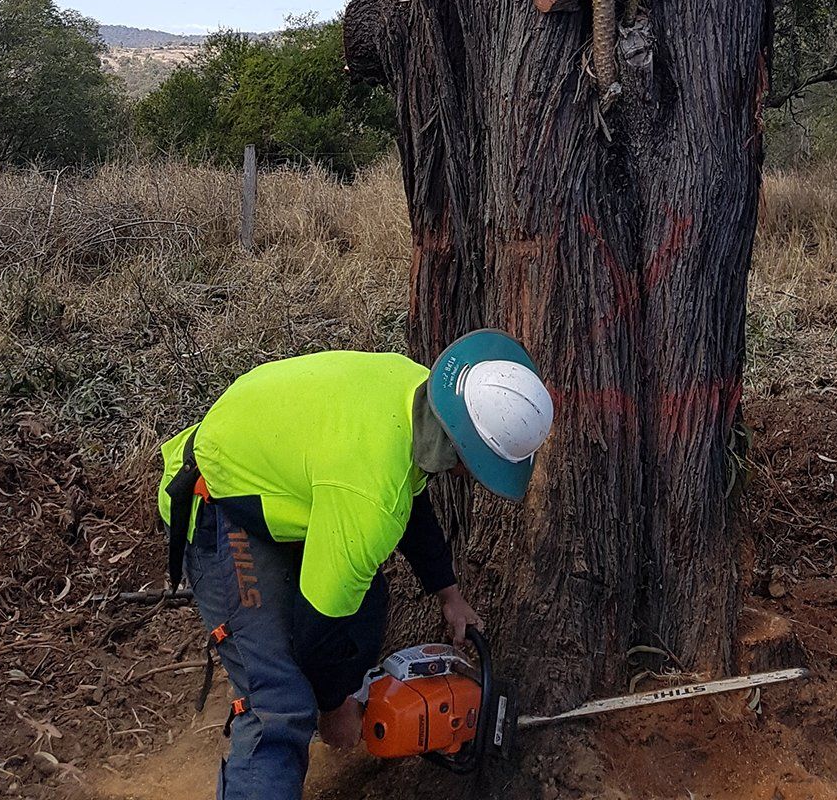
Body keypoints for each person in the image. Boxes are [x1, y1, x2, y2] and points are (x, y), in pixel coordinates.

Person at [156, 329, 554, 798]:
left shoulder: (413, 391)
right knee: (280, 700)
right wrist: (334, 707)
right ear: (468, 455)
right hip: (216, 500)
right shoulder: (370, 502)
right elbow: (317, 624)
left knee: (365, 607)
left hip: (278, 473)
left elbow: (411, 499)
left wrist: (448, 592)